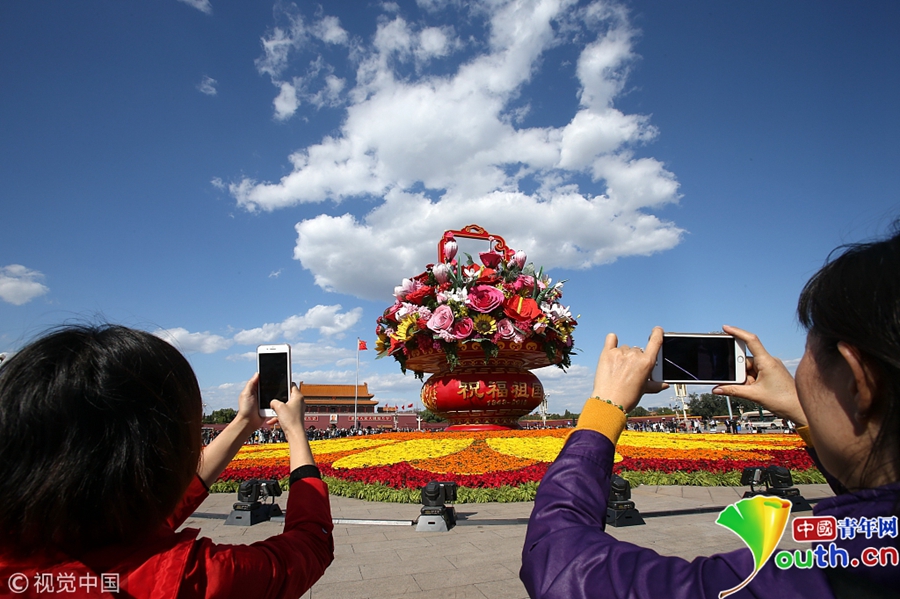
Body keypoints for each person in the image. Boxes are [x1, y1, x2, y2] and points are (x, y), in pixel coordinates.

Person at [521, 226, 900, 598]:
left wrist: (603, 411)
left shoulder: (788, 586)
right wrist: (803, 411)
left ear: (858, 382)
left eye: (808, 354)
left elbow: (559, 562)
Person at [0, 325, 334, 598]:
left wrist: (245, 422)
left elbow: (171, 501)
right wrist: (295, 431)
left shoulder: (31, 548)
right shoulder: (188, 579)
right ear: (160, 452)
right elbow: (310, 544)